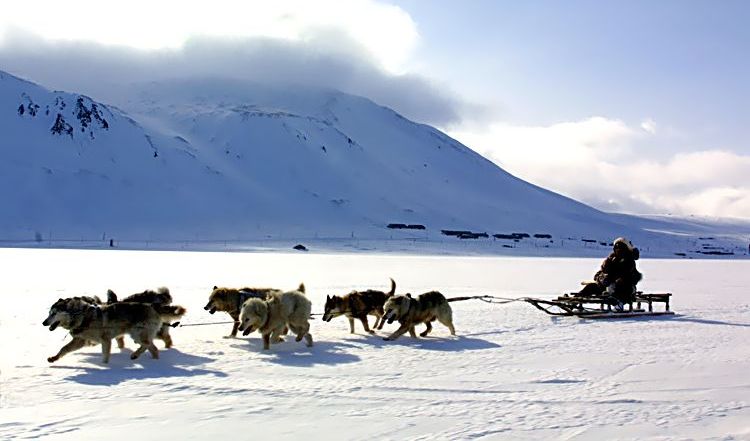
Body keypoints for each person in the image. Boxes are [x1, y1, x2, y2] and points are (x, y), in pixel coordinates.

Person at [578, 237, 642, 310]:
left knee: (621, 285)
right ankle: (576, 299)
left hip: (624, 288)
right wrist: (599, 277)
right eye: (616, 247)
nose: (618, 249)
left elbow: (624, 274)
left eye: (620, 247)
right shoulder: (611, 259)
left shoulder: (629, 260)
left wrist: (609, 278)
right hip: (607, 286)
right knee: (591, 286)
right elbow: (603, 271)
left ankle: (618, 303)